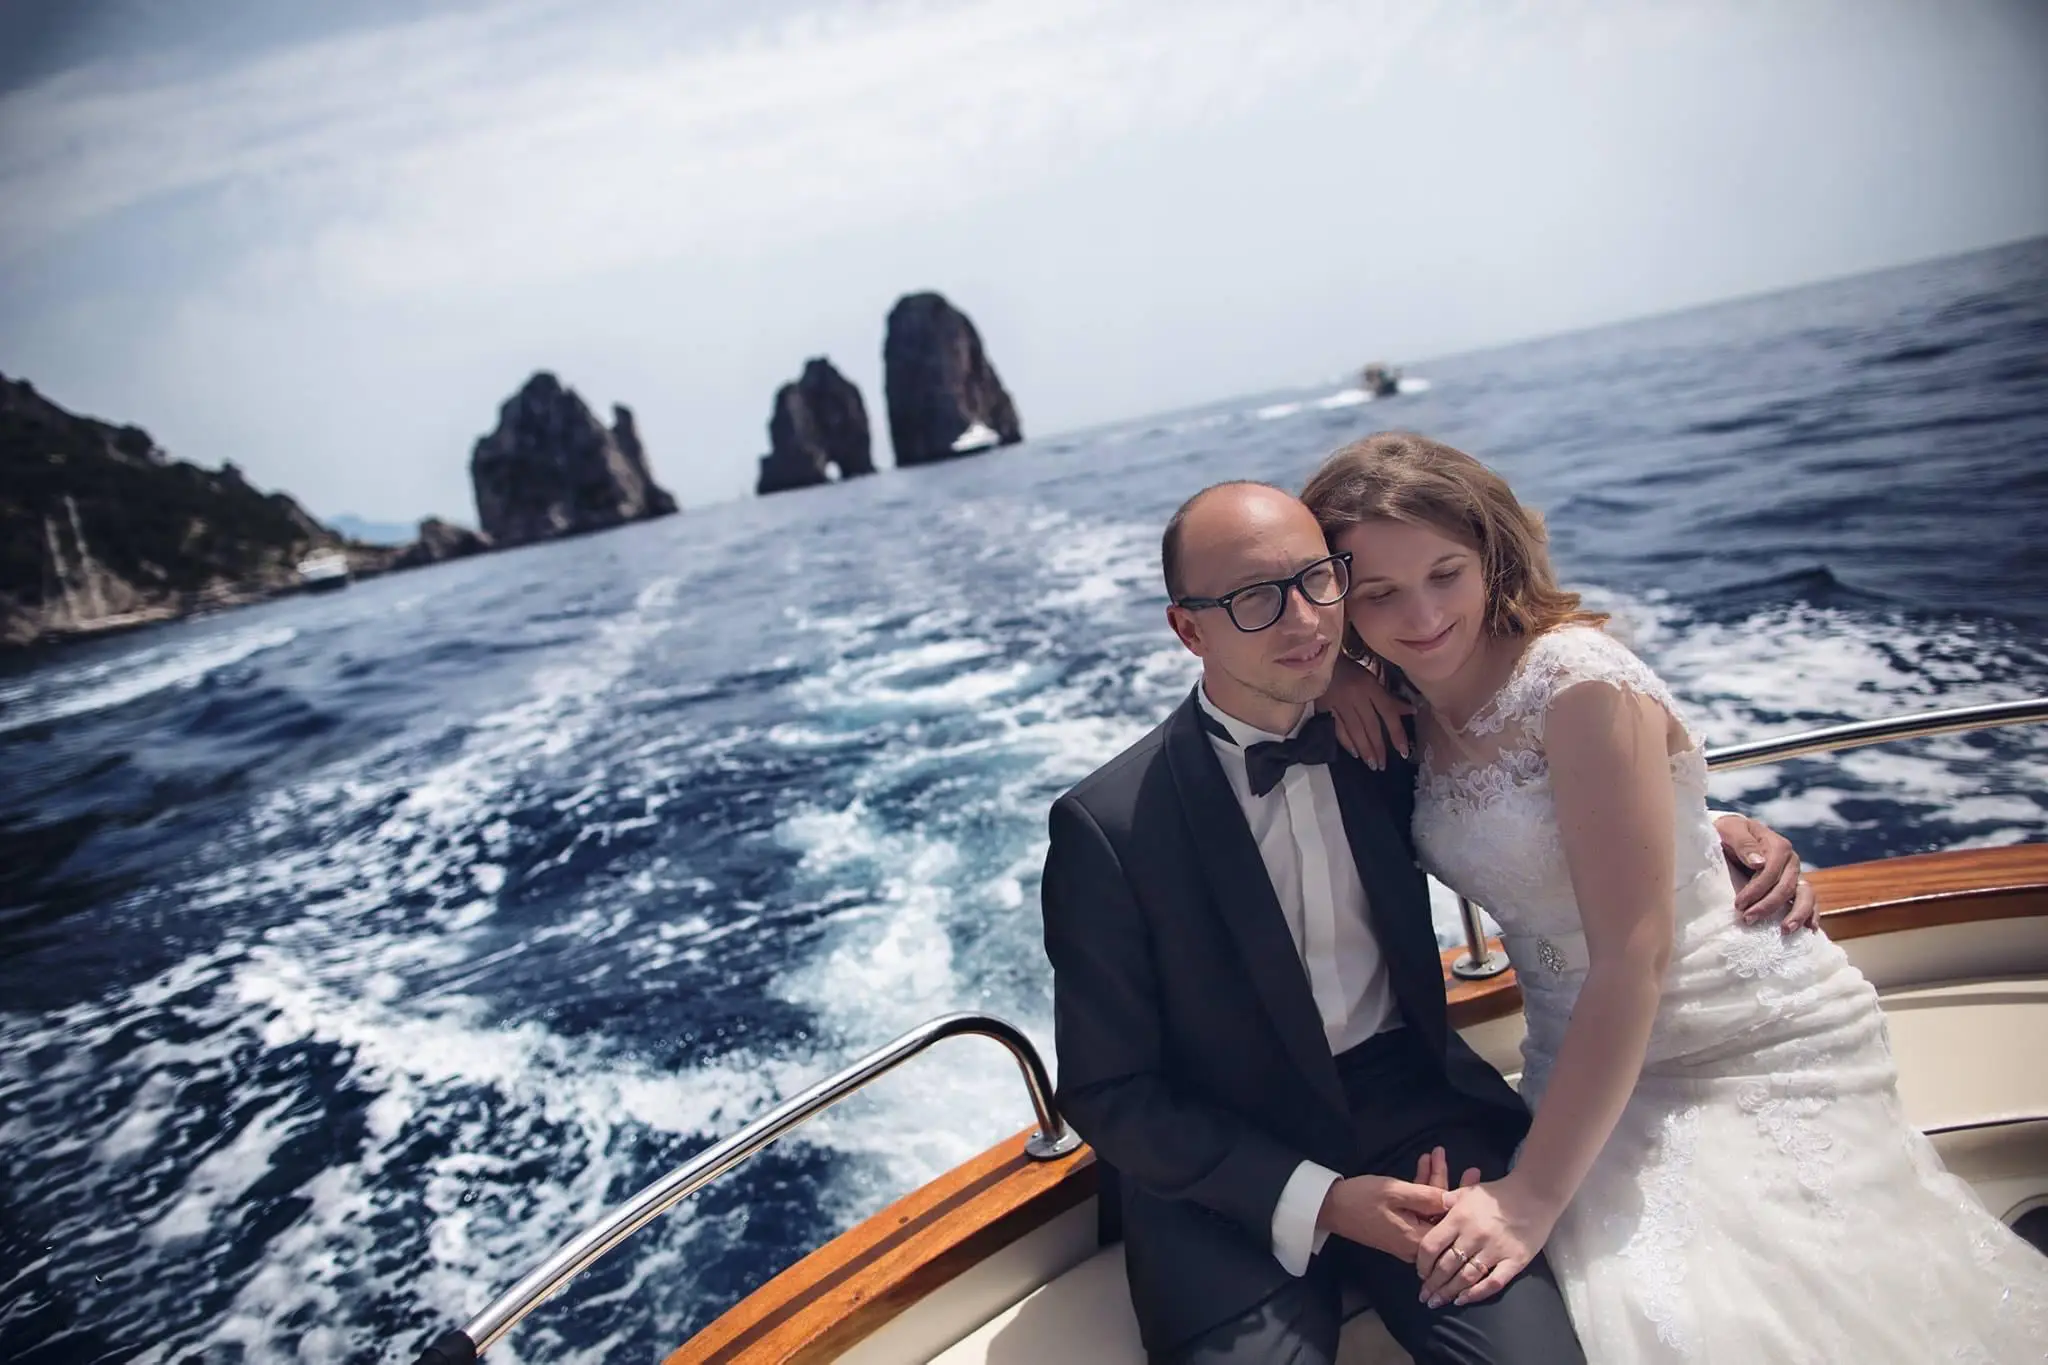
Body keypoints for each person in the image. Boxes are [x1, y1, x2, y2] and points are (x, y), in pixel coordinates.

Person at [1305, 432, 2048, 1361]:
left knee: (1708, 1317)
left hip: (1734, 1035)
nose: (1420, 615)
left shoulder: (1576, 681)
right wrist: (1335, 673)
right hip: (1576, 1052)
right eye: (1378, 593)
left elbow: (1633, 955)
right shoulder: (1393, 700)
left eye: (1445, 574)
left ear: (1491, 554)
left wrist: (1529, 1196)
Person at [1039, 480, 1816, 1364]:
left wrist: (1704, 833)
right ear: (1189, 630)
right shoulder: (1108, 824)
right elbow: (1108, 1090)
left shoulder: (1389, 734)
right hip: (1223, 1169)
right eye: (1256, 598)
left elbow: (1536, 800)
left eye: (1318, 579)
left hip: (1414, 1114)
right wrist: (1325, 1200)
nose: (1304, 619)